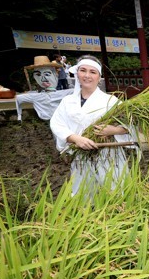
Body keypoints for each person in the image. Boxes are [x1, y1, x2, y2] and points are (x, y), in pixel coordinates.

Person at [50, 55, 137, 197]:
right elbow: (57, 123)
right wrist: (75, 138)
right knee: (83, 193)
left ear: (99, 76)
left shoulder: (110, 100)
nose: (87, 75)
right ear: (77, 73)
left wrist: (112, 130)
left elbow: (130, 125)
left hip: (108, 156)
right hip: (80, 156)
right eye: (83, 70)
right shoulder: (67, 102)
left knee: (114, 192)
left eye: (92, 72)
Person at [16, 56, 74, 121]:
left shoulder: (64, 94)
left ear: (55, 74)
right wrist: (19, 115)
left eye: (47, 74)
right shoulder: (37, 96)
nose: (43, 79)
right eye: (38, 75)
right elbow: (18, 98)